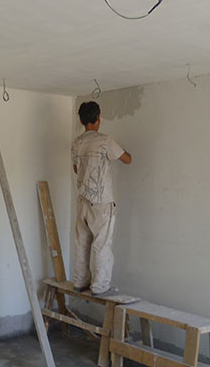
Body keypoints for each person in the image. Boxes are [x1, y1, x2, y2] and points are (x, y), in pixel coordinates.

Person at [71, 101, 132, 297]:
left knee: (82, 242)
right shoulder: (105, 140)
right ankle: (100, 287)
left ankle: (80, 282)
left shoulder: (77, 142)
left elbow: (76, 169)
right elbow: (127, 159)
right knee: (102, 244)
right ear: (98, 118)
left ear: (81, 120)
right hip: (101, 202)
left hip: (82, 200)